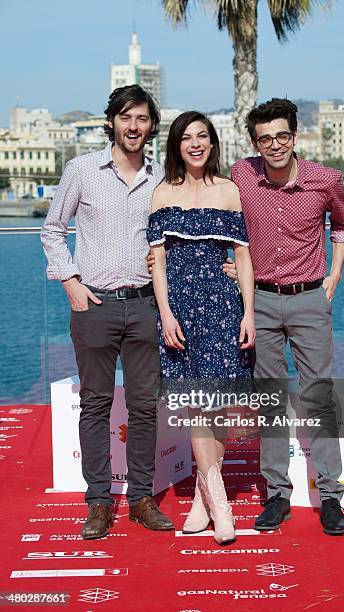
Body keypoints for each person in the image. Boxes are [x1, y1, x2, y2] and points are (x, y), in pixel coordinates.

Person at [40, 85, 174, 539]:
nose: (133, 127)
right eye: (125, 118)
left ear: (151, 125)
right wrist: (71, 282)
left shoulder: (161, 177)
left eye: (141, 119)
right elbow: (53, 230)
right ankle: (98, 501)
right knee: (95, 404)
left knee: (144, 407)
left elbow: (176, 238)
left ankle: (140, 498)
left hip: (145, 307)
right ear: (112, 122)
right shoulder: (82, 170)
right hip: (93, 304)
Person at [231, 98, 344, 535]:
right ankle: (277, 495)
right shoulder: (241, 175)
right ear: (255, 143)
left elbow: (342, 226)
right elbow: (224, 225)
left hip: (309, 300)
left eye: (282, 136)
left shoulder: (325, 179)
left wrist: (334, 275)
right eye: (265, 139)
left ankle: (332, 497)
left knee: (318, 395)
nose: (275, 145)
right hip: (259, 301)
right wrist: (231, 264)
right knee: (269, 400)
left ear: (295, 136)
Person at [147, 111, 255, 544]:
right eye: (187, 137)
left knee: (216, 405)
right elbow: (157, 264)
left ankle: (201, 499)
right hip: (179, 310)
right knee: (195, 404)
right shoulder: (161, 194)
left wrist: (248, 311)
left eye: (203, 136)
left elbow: (243, 258)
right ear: (176, 145)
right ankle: (221, 505)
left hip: (222, 308)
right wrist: (166, 313)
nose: (195, 143)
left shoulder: (229, 192)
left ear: (212, 144)